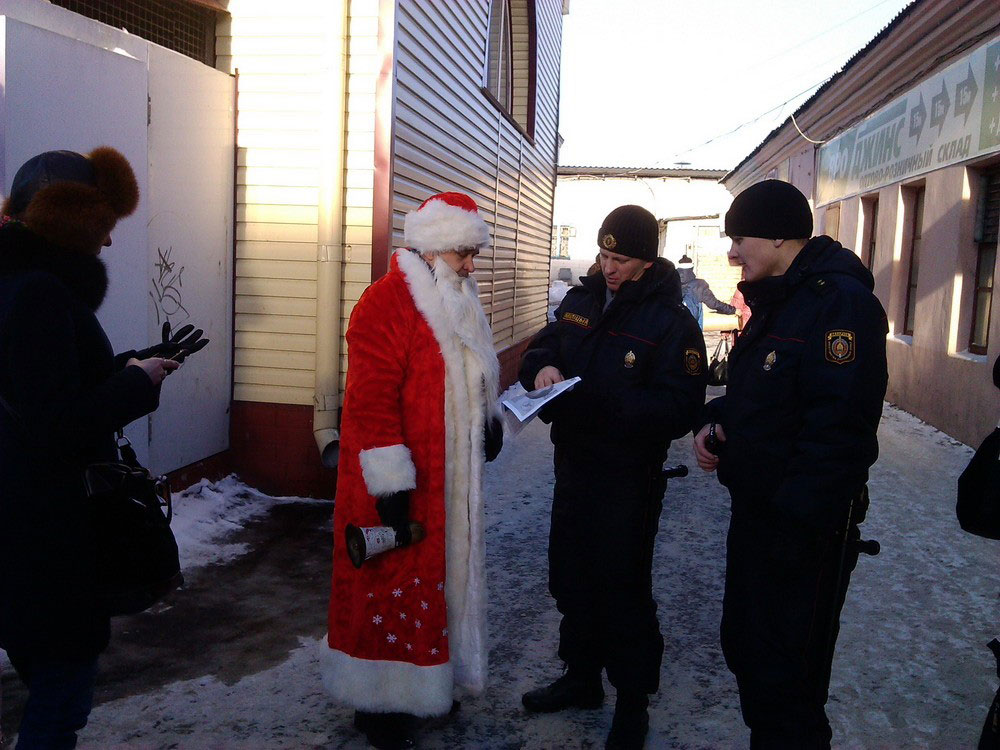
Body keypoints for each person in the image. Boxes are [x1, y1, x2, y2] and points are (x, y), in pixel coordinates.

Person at [0, 148, 204, 748]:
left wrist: (130, 365)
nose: (109, 244)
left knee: (44, 674)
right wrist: (136, 385)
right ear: (71, 219)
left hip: (15, 521)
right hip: (45, 530)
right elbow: (56, 426)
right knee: (60, 699)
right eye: (103, 227)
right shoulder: (40, 294)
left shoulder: (14, 285)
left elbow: (37, 389)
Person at [692, 179, 888, 748]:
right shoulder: (780, 298)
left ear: (778, 236)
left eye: (739, 238)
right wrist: (718, 420)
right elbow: (762, 393)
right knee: (750, 655)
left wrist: (795, 527)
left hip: (804, 532)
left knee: (788, 682)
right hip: (760, 515)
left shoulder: (839, 304)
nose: (732, 253)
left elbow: (839, 431)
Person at [518, 204, 707, 749]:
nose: (609, 267)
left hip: (628, 476)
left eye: (620, 258)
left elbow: (681, 405)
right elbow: (543, 348)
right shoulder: (580, 302)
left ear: (647, 262)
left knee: (621, 588)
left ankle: (631, 701)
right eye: (603, 255)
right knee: (571, 577)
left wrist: (607, 406)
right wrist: (542, 370)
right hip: (573, 465)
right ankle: (581, 678)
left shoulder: (670, 323)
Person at [322, 191, 504, 750]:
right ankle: (379, 704)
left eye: (472, 254)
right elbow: (369, 401)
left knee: (434, 580)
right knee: (389, 583)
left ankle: (427, 682)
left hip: (444, 479)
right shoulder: (385, 303)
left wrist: (487, 421)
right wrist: (390, 481)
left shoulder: (460, 298)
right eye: (461, 255)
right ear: (429, 249)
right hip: (397, 483)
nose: (471, 267)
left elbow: (469, 378)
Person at [676, 254, 736, 329]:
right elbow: (714, 304)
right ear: (691, 268)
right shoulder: (699, 285)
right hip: (691, 327)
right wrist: (733, 310)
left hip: (673, 326)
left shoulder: (671, 283)